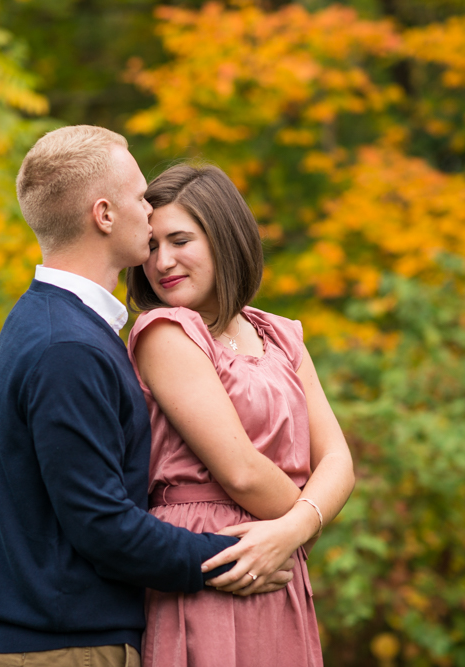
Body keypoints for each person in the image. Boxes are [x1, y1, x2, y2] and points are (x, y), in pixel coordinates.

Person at [0, 126, 293, 667]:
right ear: (104, 215)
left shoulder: (63, 329)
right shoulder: (65, 346)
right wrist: (236, 557)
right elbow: (103, 526)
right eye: (141, 196)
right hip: (65, 648)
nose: (151, 211)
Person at [126, 163, 356, 667]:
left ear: (224, 236)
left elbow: (337, 457)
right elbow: (241, 470)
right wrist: (305, 524)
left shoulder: (279, 333)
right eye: (150, 246)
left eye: (180, 240)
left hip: (273, 552)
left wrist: (289, 535)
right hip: (209, 554)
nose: (162, 261)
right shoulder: (165, 332)